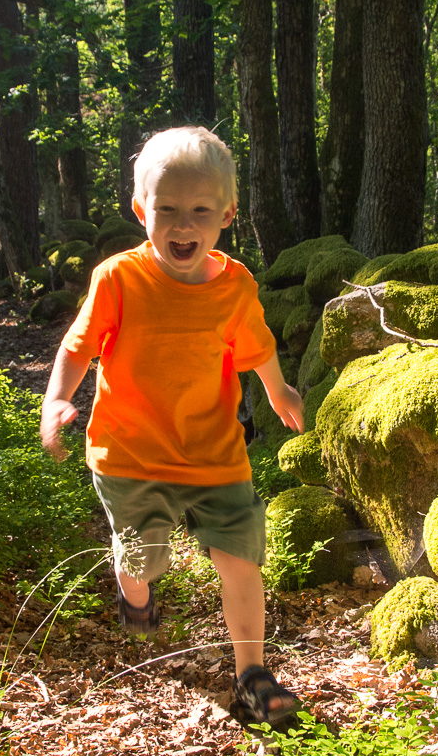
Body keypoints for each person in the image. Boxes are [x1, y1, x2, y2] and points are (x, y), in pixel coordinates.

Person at [39, 126, 306, 725]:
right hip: (130, 454)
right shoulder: (119, 279)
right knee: (143, 562)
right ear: (141, 209)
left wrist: (278, 389)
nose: (182, 224)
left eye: (200, 210)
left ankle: (253, 677)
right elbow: (78, 347)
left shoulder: (235, 286)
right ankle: (136, 596)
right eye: (167, 210)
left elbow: (256, 347)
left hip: (214, 453)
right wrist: (56, 399)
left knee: (240, 559)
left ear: (227, 214)